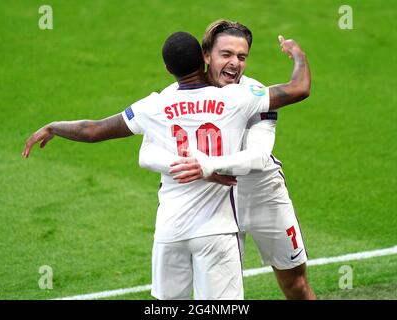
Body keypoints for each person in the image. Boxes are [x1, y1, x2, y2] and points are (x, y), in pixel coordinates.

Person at [22, 31, 285, 300]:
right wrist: (298, 57)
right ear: (204, 59)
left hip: (169, 231)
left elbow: (93, 130)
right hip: (216, 231)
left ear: (168, 69)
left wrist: (53, 126)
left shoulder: (154, 107)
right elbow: (297, 90)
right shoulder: (233, 100)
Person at [138, 20, 316, 299]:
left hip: (262, 193)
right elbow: (147, 151)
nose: (235, 63)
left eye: (241, 57)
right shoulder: (174, 96)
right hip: (212, 204)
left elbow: (258, 156)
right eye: (226, 55)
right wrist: (199, 170)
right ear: (206, 56)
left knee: (295, 283)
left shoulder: (254, 94)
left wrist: (208, 166)